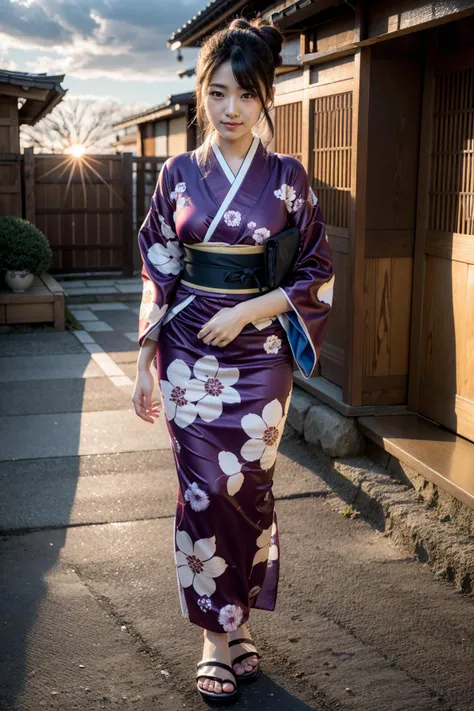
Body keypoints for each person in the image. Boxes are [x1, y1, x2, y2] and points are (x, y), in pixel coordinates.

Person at [132, 15, 335, 703]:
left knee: (249, 487)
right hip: (189, 350)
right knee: (200, 489)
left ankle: (239, 616)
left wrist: (249, 309)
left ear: (265, 97)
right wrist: (142, 361)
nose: (230, 109)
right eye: (217, 93)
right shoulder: (179, 174)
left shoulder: (288, 178)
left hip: (258, 355)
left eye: (245, 94)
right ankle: (215, 635)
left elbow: (316, 270)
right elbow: (159, 268)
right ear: (202, 94)